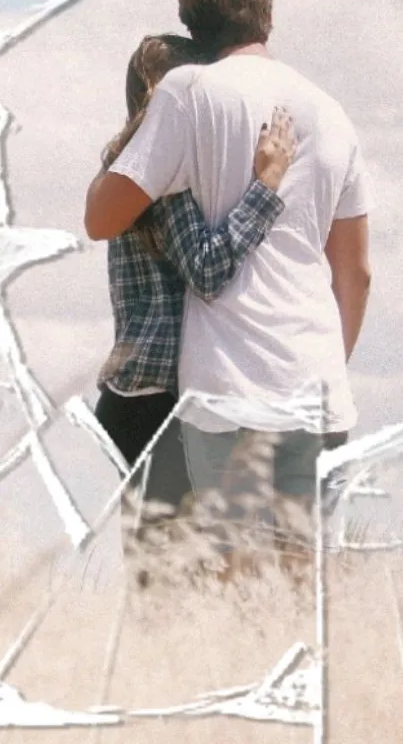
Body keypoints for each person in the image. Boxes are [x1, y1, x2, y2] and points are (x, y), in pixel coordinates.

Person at [85, 0, 372, 548]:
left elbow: (102, 218)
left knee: (224, 589)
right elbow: (356, 273)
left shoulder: (188, 92)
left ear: (193, 24)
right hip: (315, 383)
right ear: (267, 17)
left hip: (226, 389)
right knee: (304, 584)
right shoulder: (332, 113)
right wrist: (327, 364)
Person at [91, 33, 297, 530]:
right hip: (158, 403)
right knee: (178, 580)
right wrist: (265, 188)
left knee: (162, 580)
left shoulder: (128, 168)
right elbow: (206, 269)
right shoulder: (164, 174)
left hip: (135, 398)